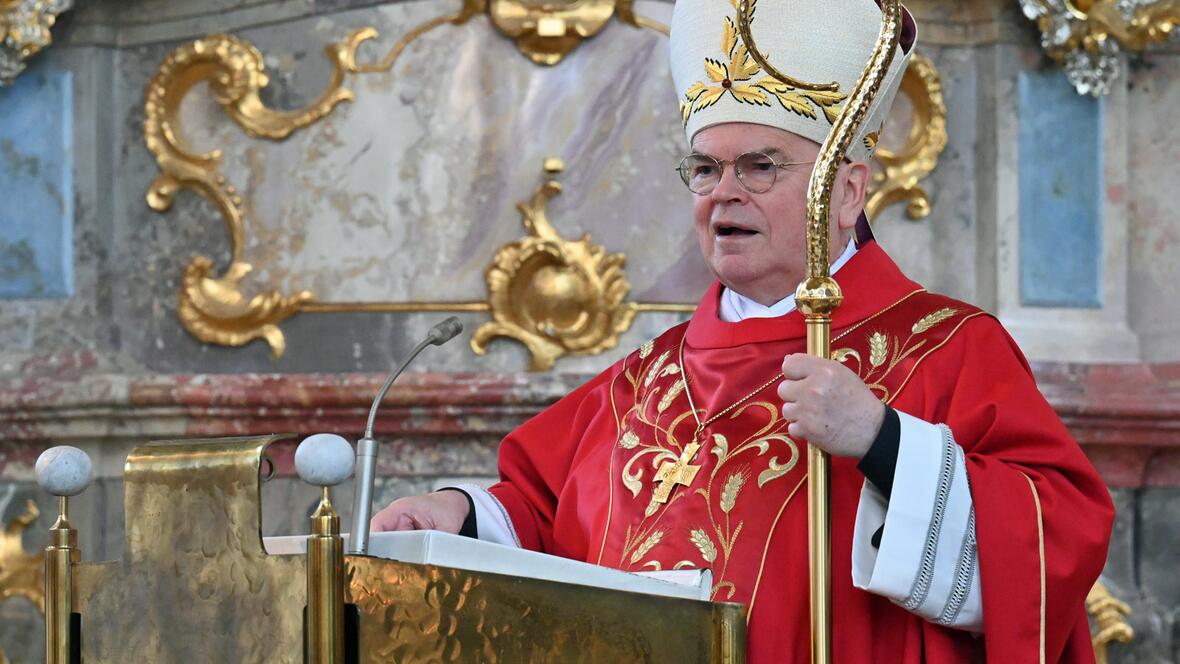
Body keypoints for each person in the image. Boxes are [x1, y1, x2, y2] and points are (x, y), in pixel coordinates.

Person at [373, 0, 1114, 660]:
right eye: (705, 169)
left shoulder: (946, 348)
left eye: (760, 167)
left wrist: (883, 441)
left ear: (847, 191)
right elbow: (541, 515)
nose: (722, 193)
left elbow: (1057, 539)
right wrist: (454, 515)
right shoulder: (643, 380)